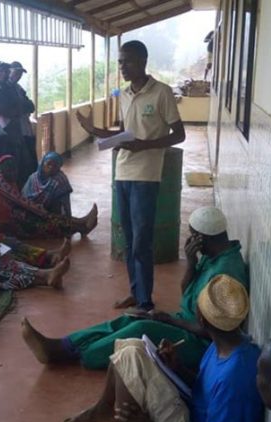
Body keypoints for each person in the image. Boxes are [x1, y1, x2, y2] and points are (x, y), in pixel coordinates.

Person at [60, 275, 263, 422]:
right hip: (195, 415)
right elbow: (206, 391)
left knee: (129, 359)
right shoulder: (227, 344)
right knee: (131, 348)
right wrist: (177, 368)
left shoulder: (234, 378)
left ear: (201, 319)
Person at [22, 206, 247, 370]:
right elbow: (186, 293)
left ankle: (79, 355)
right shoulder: (214, 257)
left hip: (203, 344)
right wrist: (191, 264)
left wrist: (168, 321)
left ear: (201, 237)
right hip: (187, 323)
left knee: (141, 328)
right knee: (129, 318)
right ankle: (63, 345)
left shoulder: (225, 273)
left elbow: (213, 330)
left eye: (191, 235)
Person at [76, 40, 186, 312]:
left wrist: (144, 145)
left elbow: (179, 134)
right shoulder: (124, 95)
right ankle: (135, 292)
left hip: (147, 176)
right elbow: (124, 133)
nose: (122, 66)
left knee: (142, 240)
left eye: (127, 61)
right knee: (128, 239)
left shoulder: (162, 93)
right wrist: (96, 130)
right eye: (120, 62)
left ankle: (146, 301)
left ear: (143, 62)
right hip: (122, 172)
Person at [0, 154, 97, 239]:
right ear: (1, 171)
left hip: (22, 214)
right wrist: (38, 211)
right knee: (48, 224)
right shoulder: (1, 186)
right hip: (11, 225)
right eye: (10, 171)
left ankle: (81, 223)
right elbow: (20, 202)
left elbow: (20, 202)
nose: (14, 174)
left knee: (48, 218)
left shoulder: (7, 181)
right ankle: (81, 226)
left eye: (15, 170)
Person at [22, 151, 73, 216]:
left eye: (55, 166)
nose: (51, 167)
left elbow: (64, 205)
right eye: (49, 164)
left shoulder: (60, 180)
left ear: (58, 168)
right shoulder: (33, 178)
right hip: (31, 212)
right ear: (43, 163)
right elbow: (24, 197)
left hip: (51, 216)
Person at [8, 61, 37, 170]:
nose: (18, 76)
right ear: (9, 72)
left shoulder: (18, 88)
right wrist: (22, 106)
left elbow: (31, 106)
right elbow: (15, 107)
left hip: (25, 128)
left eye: (20, 73)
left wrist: (22, 106)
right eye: (16, 73)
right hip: (17, 130)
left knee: (31, 158)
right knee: (24, 161)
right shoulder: (7, 88)